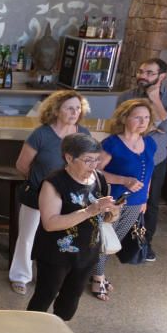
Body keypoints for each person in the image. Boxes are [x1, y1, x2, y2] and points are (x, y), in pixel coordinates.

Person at [26, 134, 119, 320]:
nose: (94, 166)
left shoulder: (98, 179)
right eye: (88, 160)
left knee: (70, 300)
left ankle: (60, 332)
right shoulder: (54, 183)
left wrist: (111, 212)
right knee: (44, 297)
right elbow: (50, 223)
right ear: (69, 158)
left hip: (87, 253)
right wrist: (89, 211)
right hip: (56, 254)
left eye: (97, 160)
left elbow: (104, 218)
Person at [9, 90, 91, 295]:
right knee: (28, 235)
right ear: (56, 110)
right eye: (69, 108)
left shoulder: (82, 134)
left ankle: (53, 275)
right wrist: (43, 184)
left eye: (78, 108)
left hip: (68, 195)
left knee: (62, 237)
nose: (74, 112)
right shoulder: (42, 134)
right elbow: (21, 164)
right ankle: (20, 276)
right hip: (38, 193)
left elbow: (87, 163)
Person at [116, 57, 167, 262]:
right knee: (120, 197)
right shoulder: (128, 95)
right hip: (127, 156)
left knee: (150, 201)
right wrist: (155, 125)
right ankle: (112, 240)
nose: (142, 76)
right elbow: (120, 122)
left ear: (162, 76)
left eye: (149, 73)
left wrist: (155, 101)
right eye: (141, 71)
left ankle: (144, 243)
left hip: (155, 158)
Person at [93, 99, 157, 301]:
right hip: (113, 201)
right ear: (125, 118)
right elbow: (95, 171)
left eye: (146, 117)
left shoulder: (150, 143)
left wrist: (145, 198)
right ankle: (97, 277)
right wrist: (124, 180)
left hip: (136, 202)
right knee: (102, 240)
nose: (143, 121)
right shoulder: (112, 143)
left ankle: (95, 272)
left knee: (114, 240)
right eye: (138, 117)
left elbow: (149, 175)